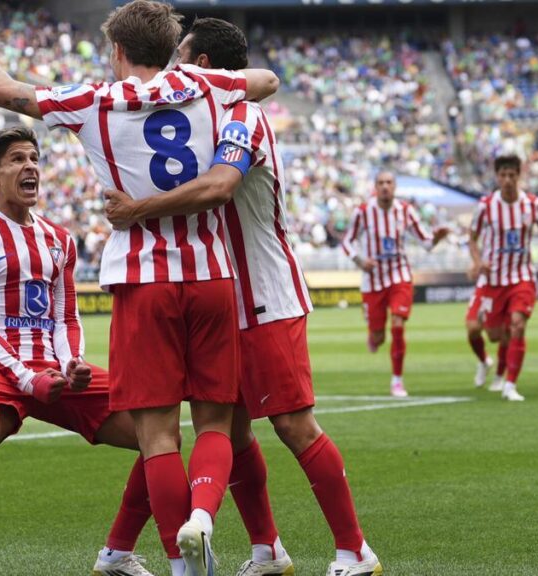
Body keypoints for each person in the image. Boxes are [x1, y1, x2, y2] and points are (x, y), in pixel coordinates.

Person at [0, 3, 279, 574]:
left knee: (156, 437)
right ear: (168, 47)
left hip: (142, 278)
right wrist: (207, 78)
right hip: (210, 275)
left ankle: (180, 565)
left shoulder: (95, 100)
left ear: (119, 52)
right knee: (214, 421)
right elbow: (266, 81)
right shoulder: (207, 84)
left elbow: (0, 91)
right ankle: (204, 514)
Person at [104, 17, 383, 576]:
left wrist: (133, 212)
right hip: (220, 297)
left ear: (203, 65)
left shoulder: (242, 117)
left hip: (264, 297)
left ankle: (355, 551)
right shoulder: (198, 115)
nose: (170, 68)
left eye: (180, 56)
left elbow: (219, 187)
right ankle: (266, 549)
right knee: (228, 431)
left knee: (294, 425)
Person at [0, 126, 156, 576]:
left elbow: (66, 316)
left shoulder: (58, 239)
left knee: (158, 435)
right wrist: (26, 379)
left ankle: (117, 555)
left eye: (34, 159)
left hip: (52, 368)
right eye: (17, 160)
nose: (30, 168)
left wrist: (72, 363)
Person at [341, 172, 449, 397]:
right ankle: (374, 332)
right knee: (379, 338)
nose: (385, 187)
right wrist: (360, 260)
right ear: (375, 187)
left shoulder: (406, 211)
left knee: (398, 324)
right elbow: (347, 241)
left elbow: (427, 243)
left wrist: (437, 237)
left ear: (395, 186)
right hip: (373, 279)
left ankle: (397, 381)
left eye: (389, 183)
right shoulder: (363, 212)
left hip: (399, 276)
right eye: (381, 183)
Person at [469, 155, 538, 401]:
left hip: (522, 277)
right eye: (503, 175)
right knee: (495, 334)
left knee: (518, 325)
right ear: (497, 177)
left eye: (512, 175)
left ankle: (510, 384)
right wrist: (479, 263)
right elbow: (472, 238)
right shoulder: (486, 206)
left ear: (519, 176)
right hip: (493, 280)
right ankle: (494, 367)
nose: (508, 180)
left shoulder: (533, 205)